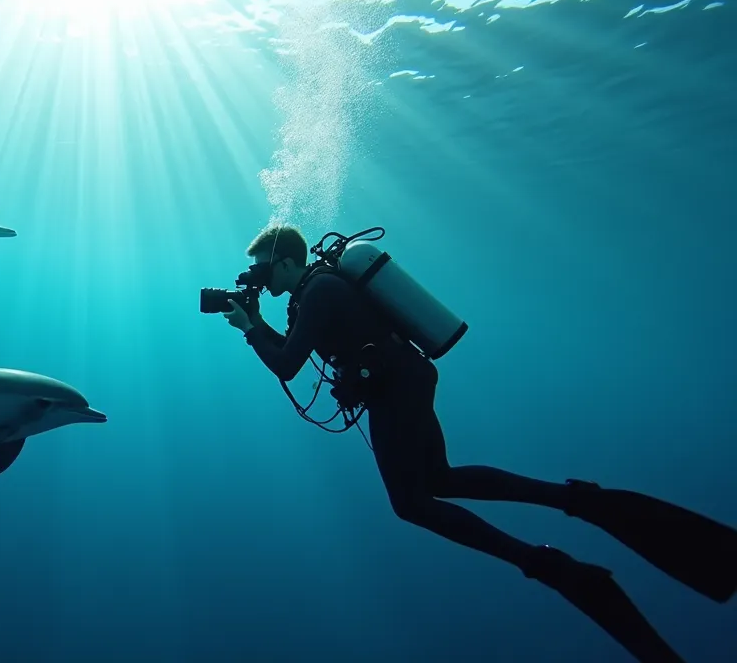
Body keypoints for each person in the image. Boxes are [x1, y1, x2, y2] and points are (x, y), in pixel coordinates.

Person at [222, 222, 737, 663]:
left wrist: (250, 329)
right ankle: (574, 502)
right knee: (440, 479)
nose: (263, 283)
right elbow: (294, 351)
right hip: (406, 379)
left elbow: (288, 364)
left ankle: (544, 562)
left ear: (289, 261)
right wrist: (258, 323)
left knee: (411, 503)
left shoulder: (318, 292)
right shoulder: (318, 290)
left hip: (394, 387)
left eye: (266, 272)